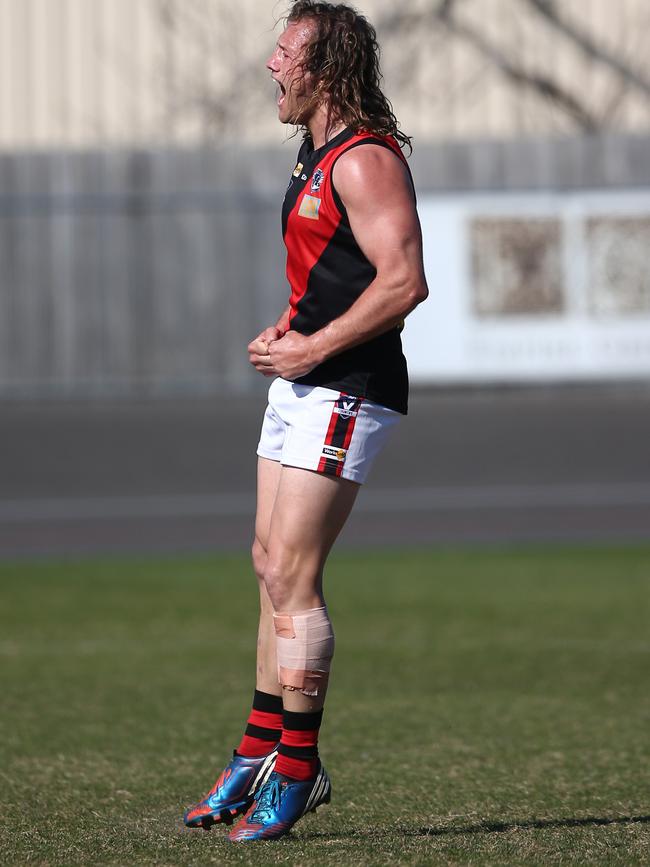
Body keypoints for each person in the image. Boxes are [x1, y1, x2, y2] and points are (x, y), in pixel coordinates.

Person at [183, 0, 428, 843]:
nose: (270, 65)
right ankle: (258, 749)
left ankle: (298, 768)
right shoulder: (312, 152)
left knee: (294, 573)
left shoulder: (364, 160)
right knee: (266, 563)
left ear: (328, 68)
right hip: (306, 376)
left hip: (348, 384)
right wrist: (289, 329)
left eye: (285, 52)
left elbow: (402, 283)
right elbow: (334, 273)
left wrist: (314, 346)